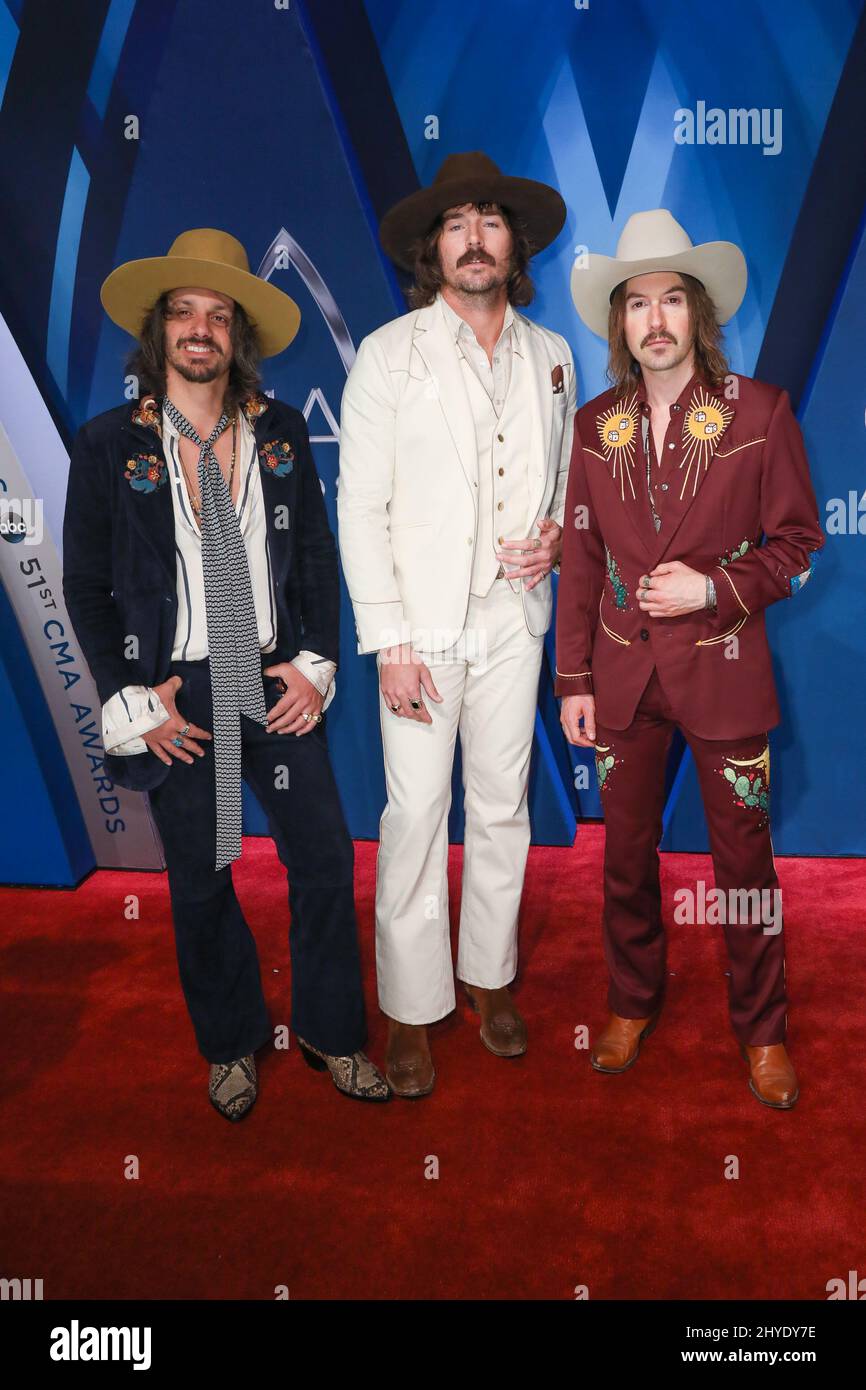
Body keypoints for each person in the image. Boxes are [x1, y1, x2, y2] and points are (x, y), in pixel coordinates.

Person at [62, 228, 389, 1120]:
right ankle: (232, 1043)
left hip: (271, 675)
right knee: (203, 878)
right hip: (176, 690)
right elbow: (86, 585)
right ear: (157, 330)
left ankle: (330, 1031)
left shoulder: (279, 430)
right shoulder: (104, 446)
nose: (200, 329)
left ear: (238, 332)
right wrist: (132, 695)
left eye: (217, 314)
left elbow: (316, 559)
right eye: (183, 313)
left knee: (323, 858)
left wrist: (316, 666)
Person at [557, 209, 823, 1108]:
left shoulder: (759, 412)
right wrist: (574, 682)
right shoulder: (595, 426)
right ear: (620, 322)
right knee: (624, 857)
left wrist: (714, 590)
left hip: (725, 670)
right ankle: (632, 1000)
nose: (656, 319)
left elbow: (797, 544)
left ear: (697, 314)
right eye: (638, 304)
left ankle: (764, 1028)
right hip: (624, 682)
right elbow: (582, 563)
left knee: (743, 867)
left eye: (672, 299)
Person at [338, 153, 576, 1097]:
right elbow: (361, 508)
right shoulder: (389, 354)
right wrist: (389, 638)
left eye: (489, 221)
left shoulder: (554, 353)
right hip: (422, 632)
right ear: (431, 250)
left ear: (513, 243)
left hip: (516, 619)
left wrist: (555, 538)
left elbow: (559, 480)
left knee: (503, 805)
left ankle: (488, 978)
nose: (474, 239)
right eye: (455, 224)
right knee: (414, 816)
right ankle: (410, 1003)